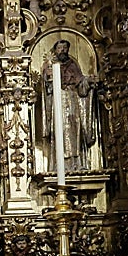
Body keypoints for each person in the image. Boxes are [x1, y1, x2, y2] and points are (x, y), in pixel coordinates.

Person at [40, 39, 96, 172]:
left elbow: (81, 85)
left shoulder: (73, 65)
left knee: (75, 130)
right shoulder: (51, 65)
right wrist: (48, 79)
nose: (63, 50)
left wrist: (88, 81)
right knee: (60, 130)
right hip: (58, 100)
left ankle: (77, 162)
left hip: (72, 99)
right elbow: (47, 87)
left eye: (65, 47)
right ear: (55, 50)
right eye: (60, 48)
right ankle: (60, 164)